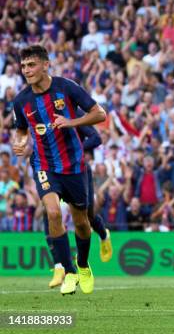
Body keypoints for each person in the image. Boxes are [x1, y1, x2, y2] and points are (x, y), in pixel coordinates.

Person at [12, 45, 107, 295]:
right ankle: (69, 271)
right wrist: (21, 142)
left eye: (31, 65)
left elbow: (100, 114)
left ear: (45, 64)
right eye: (23, 66)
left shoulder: (67, 87)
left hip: (74, 165)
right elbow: (21, 128)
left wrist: (71, 122)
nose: (27, 70)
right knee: (52, 213)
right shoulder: (21, 100)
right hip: (44, 165)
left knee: (82, 223)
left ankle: (83, 265)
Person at [45, 110, 113, 289]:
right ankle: (61, 266)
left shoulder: (75, 115)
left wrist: (73, 150)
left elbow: (96, 138)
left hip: (78, 171)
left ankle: (104, 235)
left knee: (87, 217)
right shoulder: (41, 113)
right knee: (51, 213)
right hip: (53, 173)